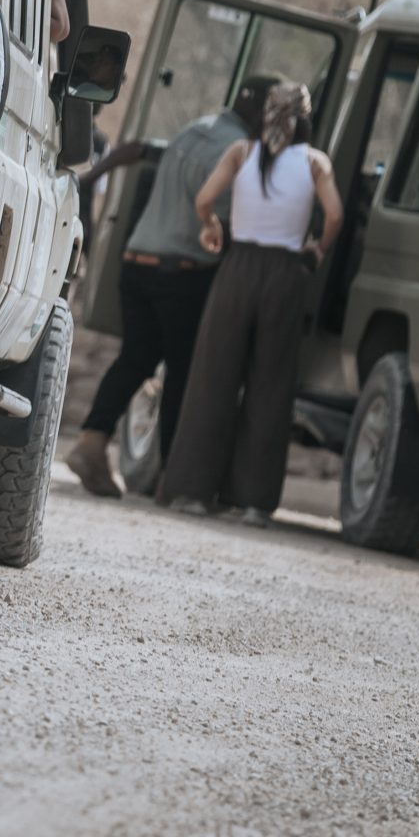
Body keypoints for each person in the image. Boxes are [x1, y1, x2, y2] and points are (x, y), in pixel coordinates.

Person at [65, 75, 278, 499]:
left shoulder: (193, 130)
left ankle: (91, 442)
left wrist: (91, 178)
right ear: (261, 114)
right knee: (183, 370)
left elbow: (140, 153)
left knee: (136, 358)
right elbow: (228, 218)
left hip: (137, 261)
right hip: (182, 271)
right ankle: (170, 476)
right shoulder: (237, 153)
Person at [158, 80, 344, 524]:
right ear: (305, 119)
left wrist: (211, 227)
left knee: (213, 377)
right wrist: (317, 250)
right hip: (285, 274)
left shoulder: (242, 152)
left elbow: (205, 199)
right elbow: (335, 215)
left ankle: (191, 491)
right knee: (270, 385)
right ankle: (254, 503)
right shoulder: (315, 162)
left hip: (237, 269)